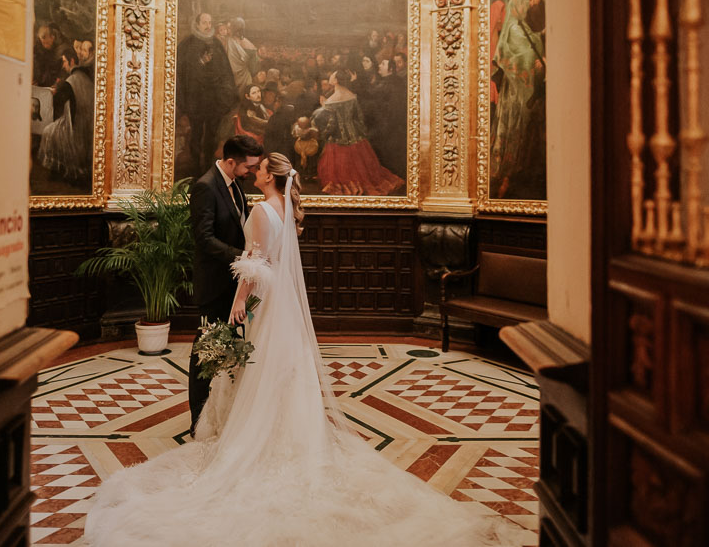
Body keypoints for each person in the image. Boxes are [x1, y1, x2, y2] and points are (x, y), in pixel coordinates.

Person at [85, 153, 516, 546]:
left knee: (258, 368)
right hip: (283, 304)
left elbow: (253, 266)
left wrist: (238, 305)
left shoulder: (258, 211)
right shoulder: (285, 212)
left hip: (264, 302)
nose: (252, 172)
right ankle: (291, 434)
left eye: (258, 170)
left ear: (270, 176)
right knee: (283, 370)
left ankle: (257, 435)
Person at [184, 135, 263, 434]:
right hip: (214, 284)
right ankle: (197, 419)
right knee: (205, 351)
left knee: (225, 350)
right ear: (231, 162)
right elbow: (203, 239)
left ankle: (219, 413)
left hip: (233, 284)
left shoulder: (235, 184)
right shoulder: (205, 186)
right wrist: (242, 256)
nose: (252, 172)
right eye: (249, 166)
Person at [491, 0, 546, 199]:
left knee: (523, 126)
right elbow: (522, 54)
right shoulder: (514, 27)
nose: (526, 6)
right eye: (523, 3)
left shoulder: (520, 25)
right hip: (515, 89)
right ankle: (508, 170)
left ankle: (517, 168)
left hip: (519, 86)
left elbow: (532, 42)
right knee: (515, 124)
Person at [315, 69, 403, 196]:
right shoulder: (351, 95)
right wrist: (361, 135)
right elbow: (359, 119)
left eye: (333, 75)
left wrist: (323, 108)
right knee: (361, 168)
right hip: (356, 137)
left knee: (340, 171)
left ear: (336, 80)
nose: (331, 76)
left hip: (337, 141)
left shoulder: (331, 101)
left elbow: (331, 124)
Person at [177, 13, 238, 178]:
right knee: (196, 134)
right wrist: (201, 63)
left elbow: (224, 70)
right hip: (195, 99)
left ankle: (209, 168)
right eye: (204, 22)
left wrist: (226, 93)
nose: (208, 25)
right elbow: (183, 72)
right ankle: (196, 168)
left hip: (213, 100)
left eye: (210, 22)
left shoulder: (216, 44)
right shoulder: (187, 44)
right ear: (197, 24)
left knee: (212, 135)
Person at [37, 45, 94, 186]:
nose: (63, 66)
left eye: (64, 61)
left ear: (72, 61)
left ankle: (57, 173)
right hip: (87, 128)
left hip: (75, 130)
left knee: (48, 132)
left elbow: (57, 103)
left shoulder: (71, 81)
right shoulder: (86, 79)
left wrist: (54, 92)